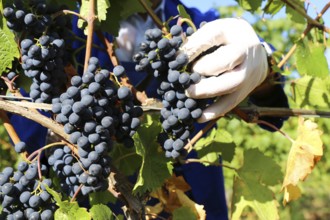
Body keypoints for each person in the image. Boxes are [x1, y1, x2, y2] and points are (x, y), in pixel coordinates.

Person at [9, 0, 289, 219]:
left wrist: (262, 57)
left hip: (193, 208)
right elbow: (30, 113)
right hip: (99, 205)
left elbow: (271, 106)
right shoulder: (63, 30)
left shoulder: (195, 25)